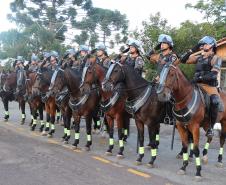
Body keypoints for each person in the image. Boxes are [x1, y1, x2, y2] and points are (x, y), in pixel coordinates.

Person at [180, 36, 222, 137]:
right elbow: (183, 60)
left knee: (215, 101)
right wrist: (193, 49)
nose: (202, 46)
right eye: (201, 45)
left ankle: (211, 127)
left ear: (212, 46)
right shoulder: (199, 58)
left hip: (209, 86)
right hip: (196, 85)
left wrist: (199, 78)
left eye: (205, 44)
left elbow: (213, 75)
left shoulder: (216, 58)